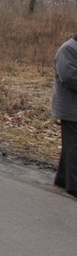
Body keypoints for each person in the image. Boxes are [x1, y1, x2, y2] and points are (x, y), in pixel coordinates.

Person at [53, 34, 77, 198]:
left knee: (71, 145)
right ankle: (74, 186)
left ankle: (62, 178)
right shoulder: (68, 49)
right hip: (70, 107)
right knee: (74, 146)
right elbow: (70, 78)